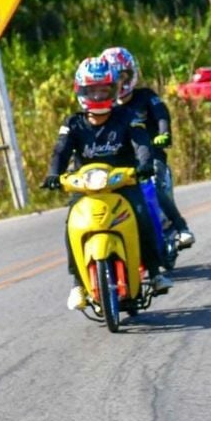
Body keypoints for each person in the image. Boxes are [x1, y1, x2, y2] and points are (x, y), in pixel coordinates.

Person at [44, 57, 171, 308]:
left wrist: (144, 165)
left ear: (114, 89)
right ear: (81, 90)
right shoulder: (72, 123)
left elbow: (141, 143)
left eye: (104, 89)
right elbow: (60, 151)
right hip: (86, 189)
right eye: (93, 89)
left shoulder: (127, 116)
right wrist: (52, 175)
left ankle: (155, 272)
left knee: (142, 215)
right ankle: (78, 284)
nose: (99, 94)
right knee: (72, 224)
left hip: (123, 184)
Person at [100, 46, 195, 250]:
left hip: (151, 155)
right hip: (122, 161)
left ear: (132, 75)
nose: (120, 82)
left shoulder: (145, 96)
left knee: (153, 184)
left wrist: (164, 134)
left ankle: (181, 228)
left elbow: (161, 114)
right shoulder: (105, 108)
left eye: (124, 76)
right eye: (115, 77)